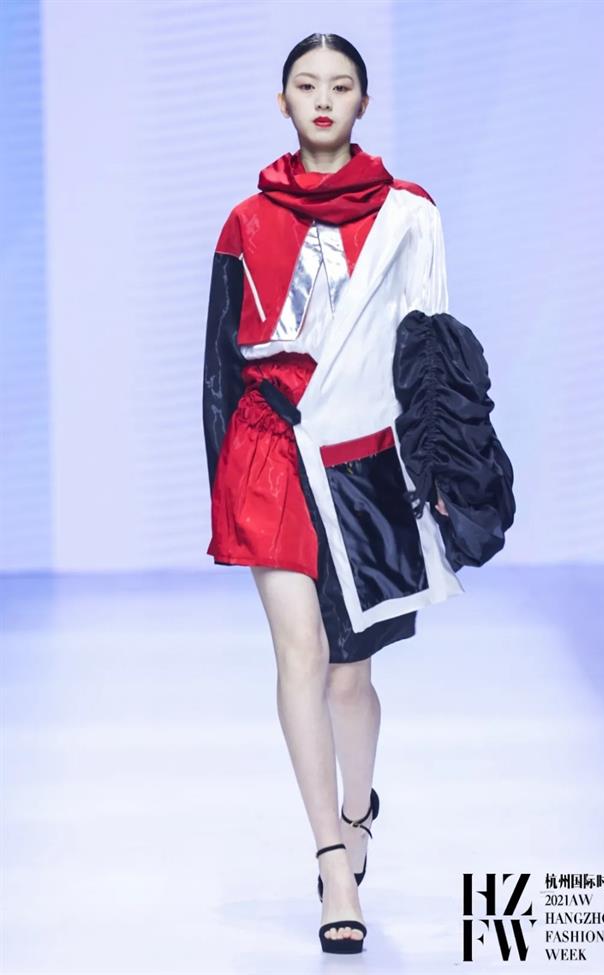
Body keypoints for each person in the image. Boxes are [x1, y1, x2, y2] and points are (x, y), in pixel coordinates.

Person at [202, 32, 514, 954]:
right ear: (283, 101)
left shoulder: (410, 215)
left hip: (366, 458)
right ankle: (332, 860)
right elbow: (219, 364)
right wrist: (222, 485)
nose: (323, 98)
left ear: (363, 103)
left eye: (340, 85)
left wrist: (447, 476)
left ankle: (358, 807)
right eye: (306, 85)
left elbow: (434, 357)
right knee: (299, 654)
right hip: (268, 452)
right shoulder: (244, 222)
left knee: (351, 676)